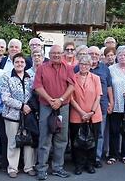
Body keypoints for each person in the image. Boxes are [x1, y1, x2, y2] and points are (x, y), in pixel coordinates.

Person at [34, 45, 75, 180]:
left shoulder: (68, 68)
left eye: (58, 53)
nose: (56, 55)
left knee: (61, 138)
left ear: (62, 54)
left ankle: (58, 167)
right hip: (46, 106)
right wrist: (50, 100)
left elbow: (72, 85)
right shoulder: (42, 68)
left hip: (63, 107)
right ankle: (42, 169)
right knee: (45, 138)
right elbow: (37, 86)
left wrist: (60, 99)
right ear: (49, 54)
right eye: (53, 53)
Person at [0, 53, 36, 178]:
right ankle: (12, 168)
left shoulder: (30, 77)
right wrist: (21, 106)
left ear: (25, 64)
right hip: (12, 115)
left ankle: (29, 167)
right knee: (13, 142)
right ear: (13, 63)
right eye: (17, 62)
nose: (19, 64)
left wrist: (29, 107)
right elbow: (5, 97)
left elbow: (35, 94)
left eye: (22, 62)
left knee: (29, 142)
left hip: (28, 114)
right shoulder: (6, 77)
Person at [70, 55, 102, 175]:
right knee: (77, 142)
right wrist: (82, 113)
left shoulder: (96, 78)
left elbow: (98, 96)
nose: (84, 66)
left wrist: (91, 112)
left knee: (92, 141)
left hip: (94, 115)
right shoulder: (73, 77)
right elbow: (71, 98)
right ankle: (79, 165)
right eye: (82, 64)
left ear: (90, 66)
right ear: (79, 64)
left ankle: (90, 163)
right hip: (77, 115)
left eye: (87, 64)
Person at [85, 46, 114, 168]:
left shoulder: (104, 69)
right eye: (91, 53)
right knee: (85, 133)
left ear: (100, 55)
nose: (94, 55)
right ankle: (85, 158)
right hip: (84, 106)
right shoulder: (81, 67)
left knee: (100, 133)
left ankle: (96, 158)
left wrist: (111, 102)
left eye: (96, 53)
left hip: (101, 105)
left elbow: (109, 87)